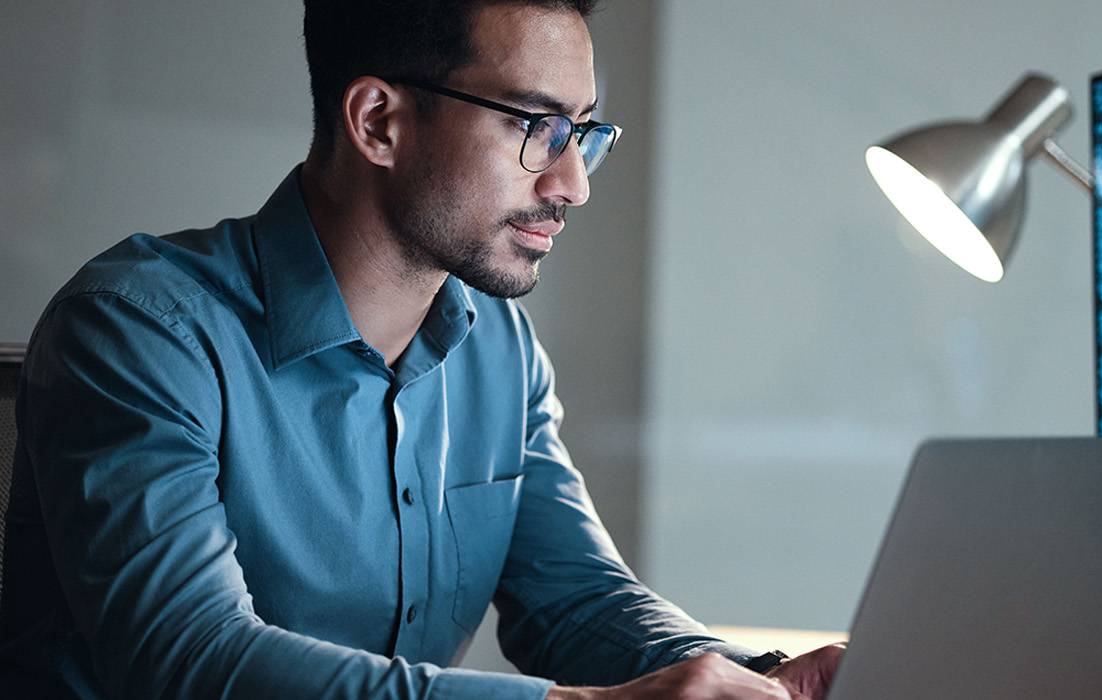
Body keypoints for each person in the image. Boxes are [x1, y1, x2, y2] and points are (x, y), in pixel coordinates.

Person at [0, 1, 844, 698]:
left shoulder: (500, 350)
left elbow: (577, 599)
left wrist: (758, 681)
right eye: (535, 126)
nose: (572, 183)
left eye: (582, 132)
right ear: (378, 121)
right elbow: (190, 657)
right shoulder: (138, 330)